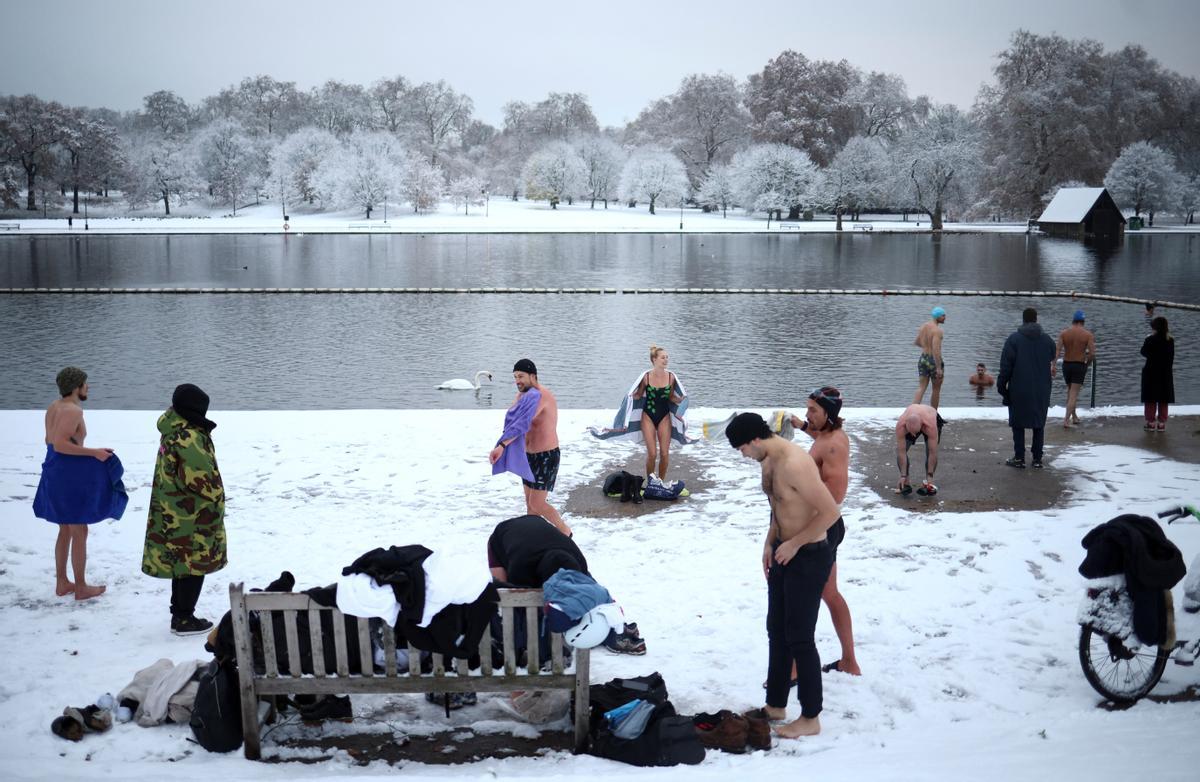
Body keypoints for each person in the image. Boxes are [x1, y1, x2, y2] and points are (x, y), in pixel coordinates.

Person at [727, 412, 840, 739]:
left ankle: (811, 716)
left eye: (742, 449)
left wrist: (795, 543)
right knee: (776, 629)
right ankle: (776, 705)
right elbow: (777, 506)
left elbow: (831, 513)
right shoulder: (768, 462)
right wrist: (770, 542)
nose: (742, 455)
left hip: (808, 554)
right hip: (782, 550)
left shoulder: (795, 463)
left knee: (800, 636)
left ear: (756, 440)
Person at [487, 515, 644, 654]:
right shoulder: (520, 568)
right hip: (504, 535)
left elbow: (588, 590)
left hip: (538, 525)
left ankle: (612, 631)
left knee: (581, 591)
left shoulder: (579, 564)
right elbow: (515, 604)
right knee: (505, 595)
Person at [142, 384, 227, 635]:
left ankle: (178, 612)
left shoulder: (174, 428)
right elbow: (200, 478)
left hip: (174, 510)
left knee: (182, 563)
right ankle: (184, 618)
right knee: (194, 563)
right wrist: (217, 496)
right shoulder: (188, 436)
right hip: (191, 514)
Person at [789, 387, 859, 676]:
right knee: (829, 593)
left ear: (829, 413)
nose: (808, 414)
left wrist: (801, 526)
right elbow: (820, 442)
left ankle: (794, 669)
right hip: (827, 527)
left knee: (799, 597)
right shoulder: (828, 436)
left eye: (812, 411)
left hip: (820, 530)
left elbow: (836, 495)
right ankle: (849, 662)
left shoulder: (833, 445)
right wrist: (803, 427)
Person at [34, 367, 120, 601]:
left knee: (65, 528)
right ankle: (81, 586)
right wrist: (93, 453)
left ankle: (62, 582)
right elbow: (61, 444)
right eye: (85, 383)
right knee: (79, 530)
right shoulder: (73, 411)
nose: (88, 387)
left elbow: (49, 441)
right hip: (66, 474)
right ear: (76, 387)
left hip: (53, 469)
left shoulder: (54, 407)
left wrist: (89, 452)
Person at [490, 359, 569, 536]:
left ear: (533, 376)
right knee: (530, 504)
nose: (517, 380)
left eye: (521, 376)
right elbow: (511, 422)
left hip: (546, 456)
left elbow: (522, 423)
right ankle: (534, 539)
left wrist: (502, 446)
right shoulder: (521, 396)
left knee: (538, 504)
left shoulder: (541, 396)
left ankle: (566, 533)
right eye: (515, 377)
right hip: (529, 456)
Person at [998, 308, 1056, 469]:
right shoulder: (1047, 340)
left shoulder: (1014, 340)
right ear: (1036, 320)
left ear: (1023, 320)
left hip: (1019, 387)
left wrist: (1002, 387)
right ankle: (1037, 459)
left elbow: (1005, 367)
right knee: (1039, 423)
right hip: (1042, 388)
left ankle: (1019, 457)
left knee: (1018, 423)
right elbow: (1052, 355)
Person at [631, 344, 686, 481]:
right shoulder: (646, 377)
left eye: (667, 357)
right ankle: (651, 482)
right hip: (648, 416)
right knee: (652, 454)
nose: (666, 360)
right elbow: (638, 395)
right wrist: (630, 397)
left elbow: (671, 397)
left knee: (665, 454)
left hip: (664, 417)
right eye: (663, 358)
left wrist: (680, 400)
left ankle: (660, 482)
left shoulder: (671, 377)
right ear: (654, 359)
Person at [1056, 310, 1096, 428]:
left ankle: (1074, 416)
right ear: (1083, 321)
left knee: (1070, 391)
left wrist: (1053, 365)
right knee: (1073, 394)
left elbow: (1057, 350)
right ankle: (1066, 420)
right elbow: (1092, 354)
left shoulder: (1064, 333)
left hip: (1066, 365)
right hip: (1079, 365)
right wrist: (1087, 363)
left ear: (1073, 320)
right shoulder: (1087, 335)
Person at [894, 404, 944, 496]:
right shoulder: (901, 426)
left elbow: (933, 453)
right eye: (911, 433)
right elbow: (901, 452)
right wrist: (903, 476)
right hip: (913, 422)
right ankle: (906, 482)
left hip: (930, 418)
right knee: (901, 450)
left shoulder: (930, 426)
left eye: (915, 433)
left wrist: (930, 476)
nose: (913, 435)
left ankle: (929, 482)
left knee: (929, 451)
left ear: (922, 426)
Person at [1140, 316, 1174, 432]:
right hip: (1165, 373)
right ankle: (1161, 424)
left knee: (1150, 398)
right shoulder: (1170, 340)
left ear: (1155, 328)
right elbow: (1171, 358)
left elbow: (1143, 352)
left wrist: (1147, 339)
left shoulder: (1150, 339)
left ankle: (1150, 422)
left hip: (1151, 372)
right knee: (1163, 399)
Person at [913, 307, 946, 408]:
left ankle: (912, 412)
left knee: (921, 388)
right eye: (943, 315)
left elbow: (917, 342)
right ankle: (933, 415)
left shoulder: (924, 327)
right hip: (933, 361)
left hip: (923, 359)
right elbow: (936, 350)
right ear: (937, 316)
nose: (945, 318)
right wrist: (939, 368)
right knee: (936, 390)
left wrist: (927, 346)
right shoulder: (937, 331)